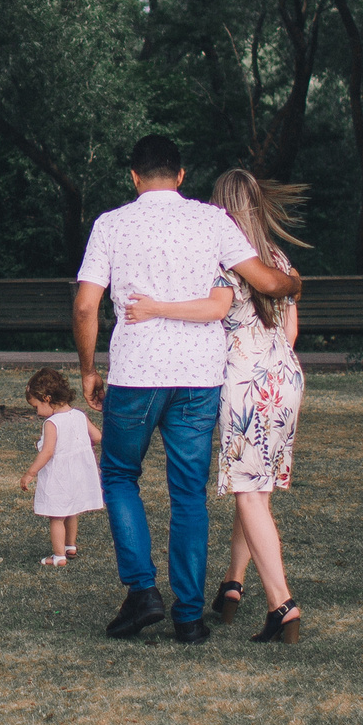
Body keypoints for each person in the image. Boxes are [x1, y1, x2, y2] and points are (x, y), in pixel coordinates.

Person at [74, 134, 302, 642]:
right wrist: (292, 285)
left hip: (136, 376)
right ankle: (189, 616)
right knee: (188, 494)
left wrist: (89, 371)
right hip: (200, 379)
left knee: (118, 475)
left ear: (133, 177)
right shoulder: (212, 220)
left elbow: (87, 305)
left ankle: (141, 592)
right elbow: (265, 281)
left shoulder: (110, 225)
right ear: (180, 176)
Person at [129, 169, 309, 644]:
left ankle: (282, 605)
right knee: (256, 490)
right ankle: (233, 583)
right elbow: (289, 332)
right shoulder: (277, 259)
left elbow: (213, 309)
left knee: (247, 491)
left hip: (245, 382)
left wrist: (155, 308)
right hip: (286, 376)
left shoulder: (224, 257)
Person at [17, 367, 103, 565]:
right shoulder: (79, 415)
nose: (37, 412)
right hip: (79, 474)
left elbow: (47, 452)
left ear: (47, 398)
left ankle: (58, 556)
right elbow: (97, 437)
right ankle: (70, 546)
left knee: (56, 516)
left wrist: (31, 473)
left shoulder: (52, 423)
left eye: (36, 406)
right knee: (72, 510)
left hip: (60, 476)